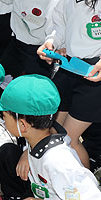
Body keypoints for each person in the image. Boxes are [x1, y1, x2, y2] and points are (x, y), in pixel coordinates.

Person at [0, 74, 101, 200]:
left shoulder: (59, 163)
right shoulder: (37, 135)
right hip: (41, 191)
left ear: (22, 124)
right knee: (7, 153)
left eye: (5, 116)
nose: (4, 121)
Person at [37, 0, 101, 169]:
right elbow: (60, 24)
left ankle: (86, 189)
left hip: (93, 74)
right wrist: (51, 42)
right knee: (54, 129)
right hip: (68, 67)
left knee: (69, 140)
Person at [0, 0, 60, 78]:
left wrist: (55, 42)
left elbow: (59, 24)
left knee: (35, 85)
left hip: (40, 49)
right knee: (3, 78)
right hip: (16, 43)